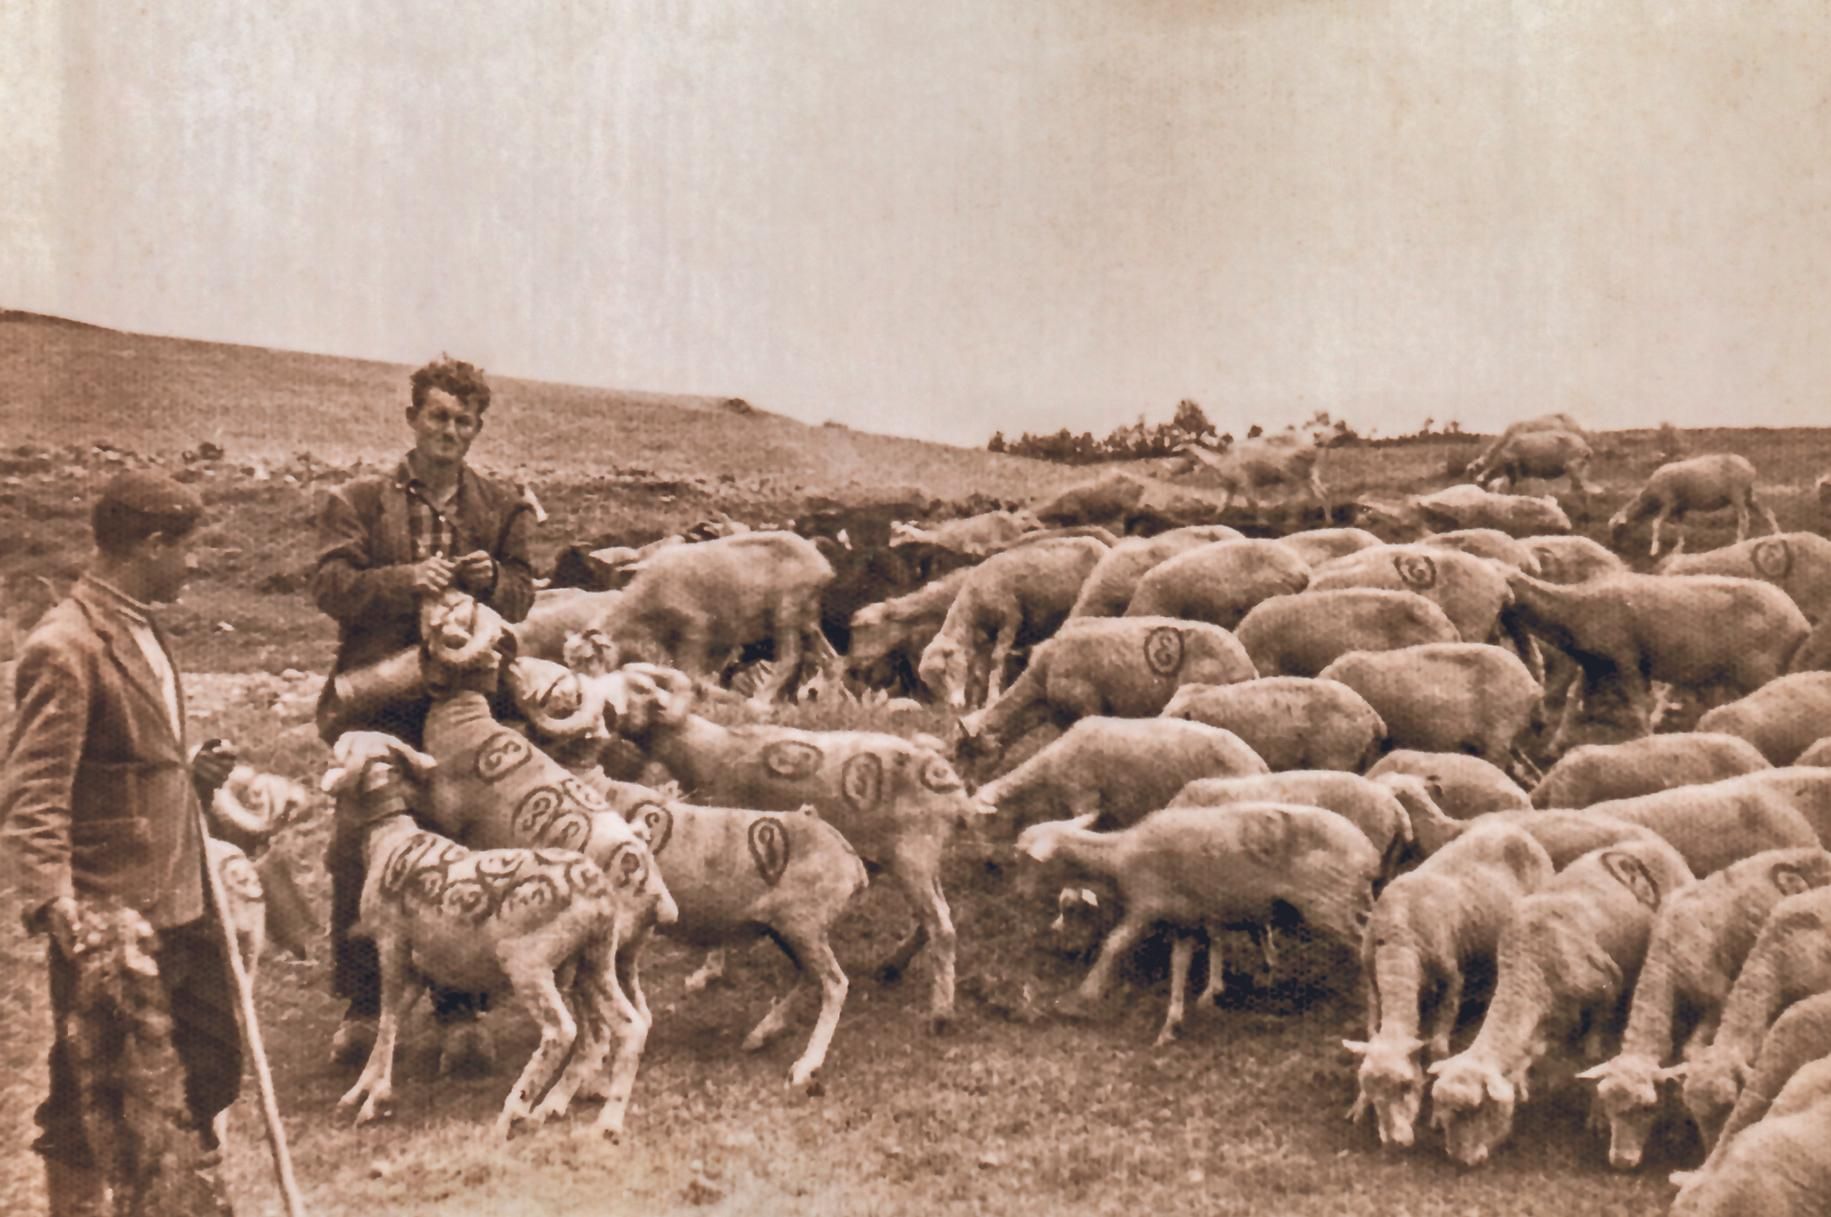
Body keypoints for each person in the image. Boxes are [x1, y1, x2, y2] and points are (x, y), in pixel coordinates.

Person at [3, 470, 243, 1216]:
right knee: (90, 1088)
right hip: (110, 916)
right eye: (186, 549)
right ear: (149, 543)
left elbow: (132, 753)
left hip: (181, 890)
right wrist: (55, 903)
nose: (193, 565)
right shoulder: (64, 645)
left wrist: (189, 769)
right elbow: (33, 791)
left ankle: (177, 1196)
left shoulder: (144, 622)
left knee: (210, 1060)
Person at [310, 355, 537, 1068]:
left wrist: (493, 580)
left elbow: (526, 593)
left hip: (471, 700)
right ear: (412, 418)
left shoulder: (499, 505)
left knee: (466, 839)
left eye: (463, 420)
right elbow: (329, 585)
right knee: (361, 842)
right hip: (381, 696)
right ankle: (364, 1002)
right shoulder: (358, 500)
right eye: (437, 415)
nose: (450, 429)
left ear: (477, 428)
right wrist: (405, 581)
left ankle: (461, 1007)